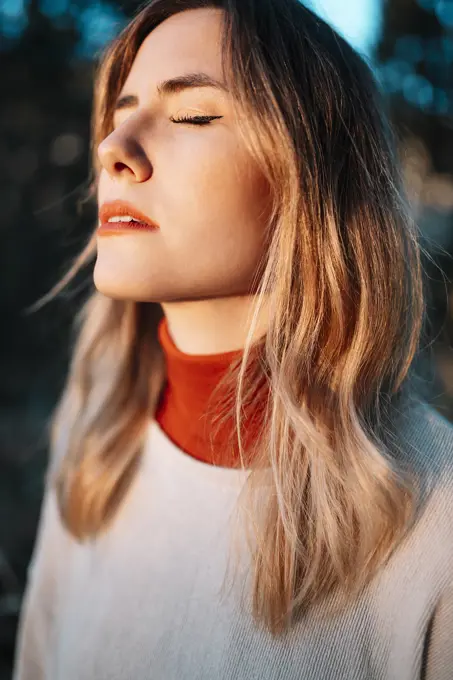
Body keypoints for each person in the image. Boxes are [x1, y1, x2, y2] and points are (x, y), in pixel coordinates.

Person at [12, 0, 453, 678]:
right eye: (119, 113)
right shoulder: (95, 443)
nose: (111, 148)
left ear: (313, 179)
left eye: (193, 115)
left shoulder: (433, 513)